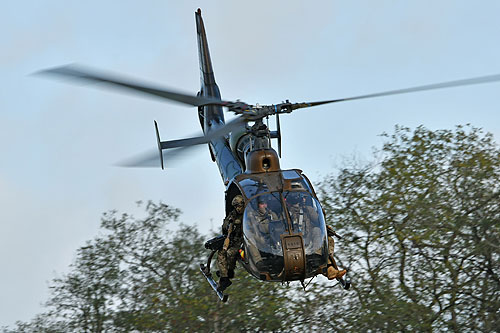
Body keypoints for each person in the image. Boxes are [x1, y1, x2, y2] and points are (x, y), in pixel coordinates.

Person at [286, 192, 346, 280]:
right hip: (293, 244)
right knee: (317, 231)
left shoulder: (306, 210)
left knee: (326, 238)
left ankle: (325, 264)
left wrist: (310, 209)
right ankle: (328, 267)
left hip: (308, 242)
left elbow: (317, 221)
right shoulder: (286, 213)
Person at [217, 195, 244, 292]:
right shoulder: (233, 214)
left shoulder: (248, 214)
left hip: (244, 241)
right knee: (221, 253)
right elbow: (224, 226)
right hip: (234, 240)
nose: (238, 209)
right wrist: (229, 223)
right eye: (236, 207)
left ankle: (229, 271)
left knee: (229, 253)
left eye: (239, 206)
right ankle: (224, 277)